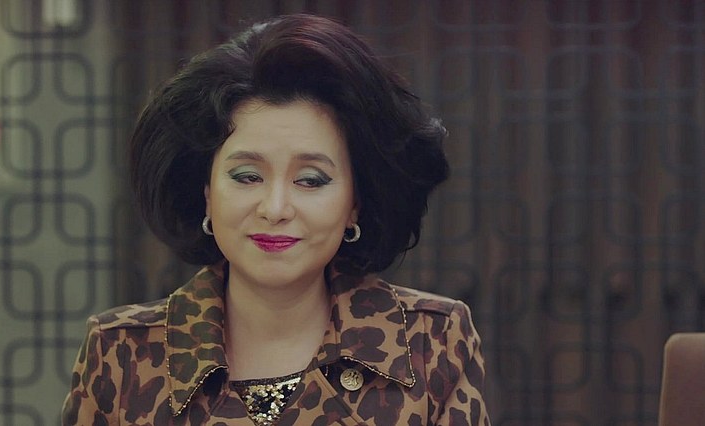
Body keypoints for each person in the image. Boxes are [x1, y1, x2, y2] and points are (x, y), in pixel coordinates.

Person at [62, 13, 488, 426]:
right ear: (206, 192)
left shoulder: (430, 343)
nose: (275, 207)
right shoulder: (121, 353)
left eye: (310, 180)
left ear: (355, 203)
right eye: (247, 176)